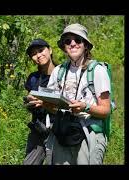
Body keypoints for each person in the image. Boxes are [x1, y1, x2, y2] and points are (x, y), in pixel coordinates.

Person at [30, 23, 111, 165]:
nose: (72, 44)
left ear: (85, 45)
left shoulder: (98, 70)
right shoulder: (58, 71)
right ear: (64, 47)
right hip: (62, 130)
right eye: (68, 41)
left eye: (78, 40)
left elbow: (105, 110)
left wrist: (85, 107)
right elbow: (54, 108)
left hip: (88, 131)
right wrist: (43, 103)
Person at [23, 38, 56, 165]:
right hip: (38, 128)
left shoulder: (63, 74)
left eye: (41, 50)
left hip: (57, 129)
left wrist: (45, 102)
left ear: (50, 50)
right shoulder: (33, 78)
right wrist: (29, 101)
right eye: (34, 53)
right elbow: (28, 102)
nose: (38, 55)